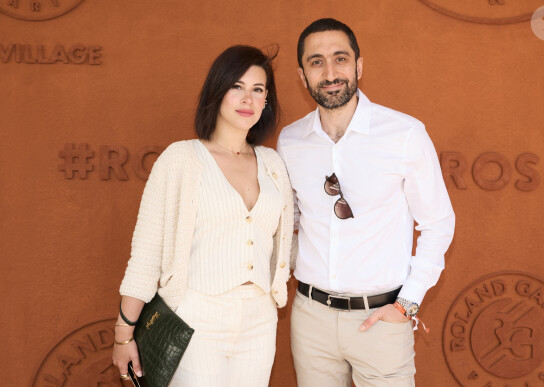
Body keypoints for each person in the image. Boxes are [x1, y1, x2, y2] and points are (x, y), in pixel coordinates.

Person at [277, 18, 455, 386]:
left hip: (381, 321)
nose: (330, 72)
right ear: (302, 74)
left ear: (359, 65)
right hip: (311, 320)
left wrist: (406, 305)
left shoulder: (405, 134)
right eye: (316, 62)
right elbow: (290, 223)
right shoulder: (290, 141)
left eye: (340, 59)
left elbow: (438, 223)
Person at [112, 45, 294, 387]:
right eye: (237, 87)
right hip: (196, 317)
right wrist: (124, 333)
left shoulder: (273, 164)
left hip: (260, 320)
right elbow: (146, 253)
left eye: (258, 90)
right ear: (217, 91)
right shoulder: (181, 159)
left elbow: (286, 243)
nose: (248, 99)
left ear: (267, 101)